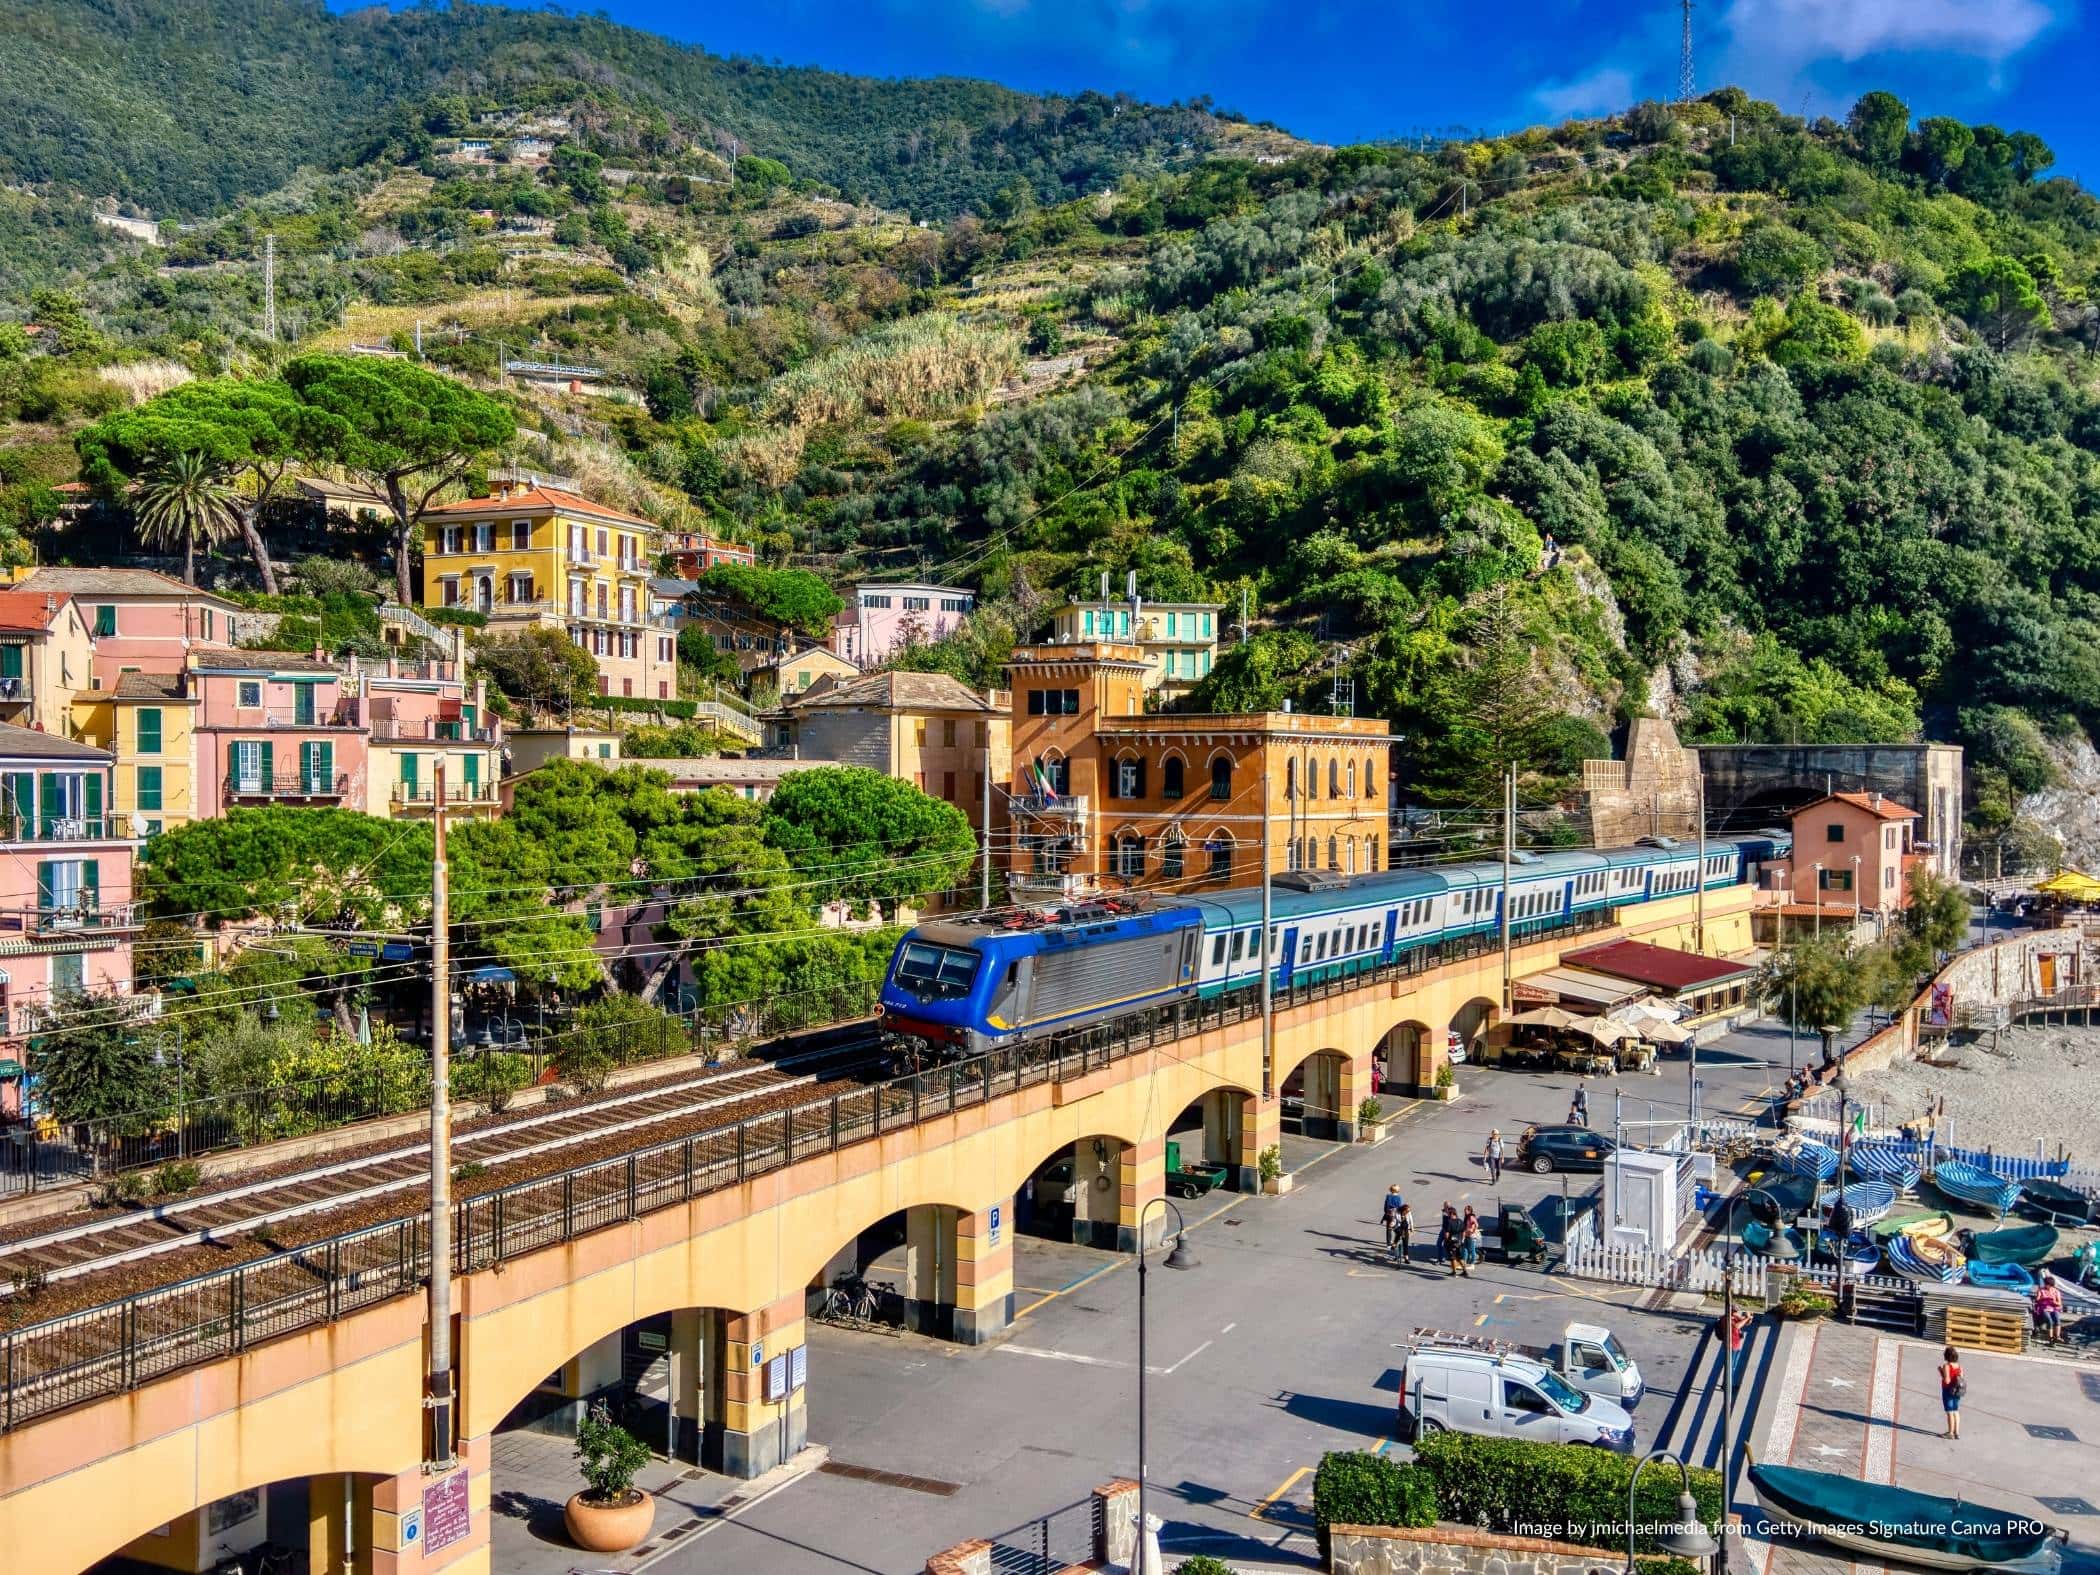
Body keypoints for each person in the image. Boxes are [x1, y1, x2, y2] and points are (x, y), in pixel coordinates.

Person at [1938, 1345, 1964, 1439]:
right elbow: (1961, 1378)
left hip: (1948, 1391)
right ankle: (1957, 1432)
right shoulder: (1959, 1367)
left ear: (1946, 1356)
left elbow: (1947, 1381)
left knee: (1949, 1411)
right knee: (1955, 1410)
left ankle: (1950, 1433)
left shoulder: (1947, 1366)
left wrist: (1941, 1372)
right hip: (1957, 1391)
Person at [2035, 1273, 2066, 1346]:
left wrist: (2053, 1301)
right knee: (2050, 1321)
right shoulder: (2041, 1290)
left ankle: (2057, 1336)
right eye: (2047, 1285)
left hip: (2053, 1308)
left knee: (2057, 1319)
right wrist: (2043, 1299)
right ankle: (2050, 1339)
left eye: (2050, 1285)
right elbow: (2037, 1299)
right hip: (2044, 1308)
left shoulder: (2056, 1291)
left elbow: (2059, 1303)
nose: (2048, 1287)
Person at [1438, 1203, 1463, 1277]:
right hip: (1458, 1241)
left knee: (1453, 1257)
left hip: (1451, 1242)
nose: (1448, 1214)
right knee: (1458, 1257)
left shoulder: (1450, 1222)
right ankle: (1464, 1270)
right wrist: (1461, 1240)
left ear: (1452, 1214)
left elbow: (1447, 1234)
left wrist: (1446, 1240)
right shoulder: (1460, 1221)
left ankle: (1454, 1272)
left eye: (1449, 1213)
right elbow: (1463, 1231)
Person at [1381, 1184, 1407, 1254]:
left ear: (1391, 1190)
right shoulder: (1398, 1197)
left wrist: (1386, 1212)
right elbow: (1399, 1206)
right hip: (1396, 1214)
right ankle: (1396, 1241)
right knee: (1397, 1227)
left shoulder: (1388, 1196)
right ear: (1398, 1190)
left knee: (1388, 1229)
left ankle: (1388, 1244)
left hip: (1389, 1214)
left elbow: (1386, 1206)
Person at [1460, 1205, 1481, 1274]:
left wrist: (1472, 1230)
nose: (1464, 1211)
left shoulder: (1471, 1217)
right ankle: (1464, 1263)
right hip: (1467, 1235)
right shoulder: (1467, 1217)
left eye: (1466, 1210)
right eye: (1464, 1210)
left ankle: (1472, 1264)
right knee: (1465, 1249)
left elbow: (1476, 1224)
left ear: (1469, 1211)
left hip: (1471, 1236)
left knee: (1472, 1250)